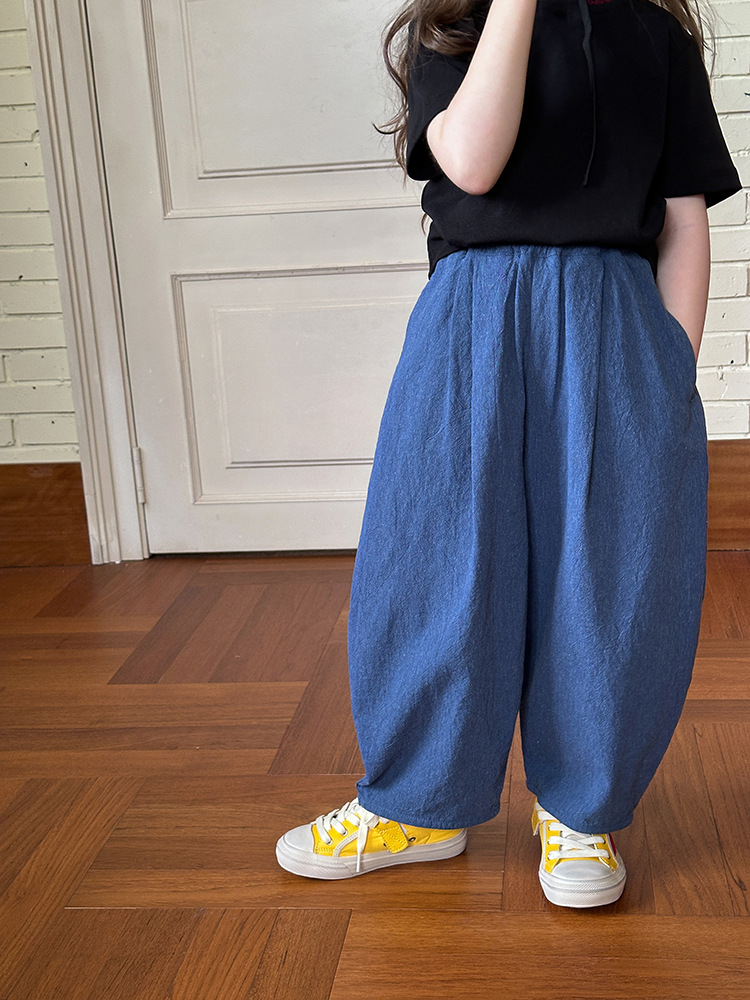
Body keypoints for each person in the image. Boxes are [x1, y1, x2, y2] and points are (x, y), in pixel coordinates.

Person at [275, 0, 742, 908]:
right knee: (432, 560)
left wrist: (670, 370)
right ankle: (418, 804)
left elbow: (684, 219)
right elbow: (474, 162)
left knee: (608, 575)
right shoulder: (449, 29)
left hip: (616, 322)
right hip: (470, 319)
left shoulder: (656, 38)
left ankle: (580, 811)